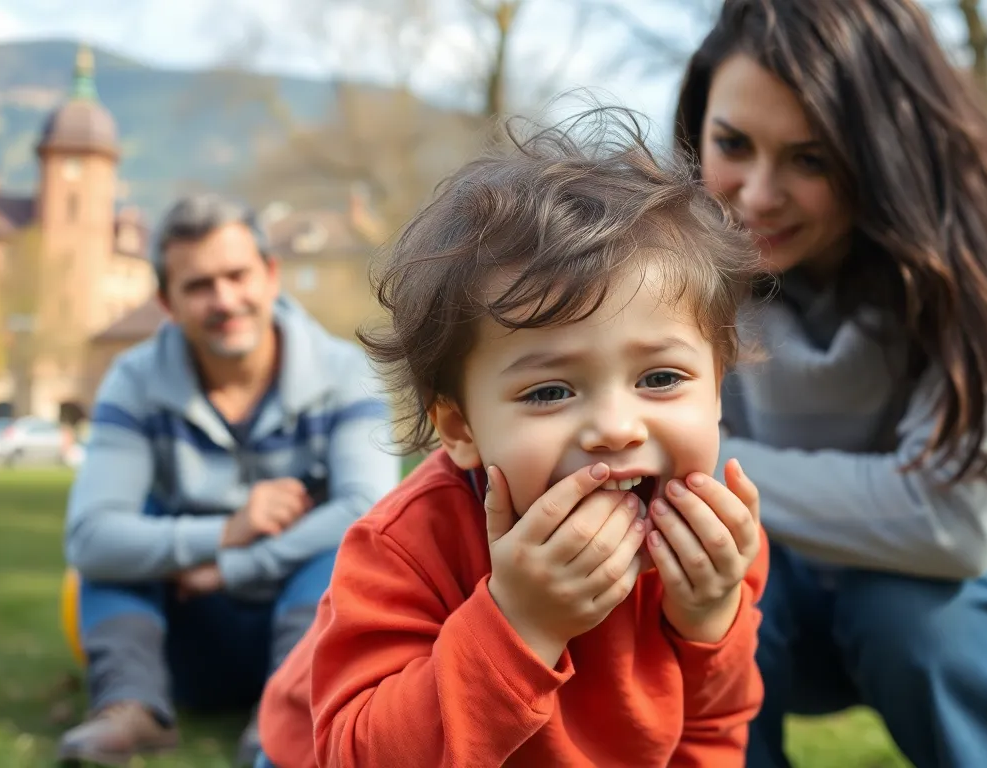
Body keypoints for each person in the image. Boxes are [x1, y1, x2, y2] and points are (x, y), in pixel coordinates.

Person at [255, 110, 771, 768]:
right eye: (550, 391)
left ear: (718, 390)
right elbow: (359, 754)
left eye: (661, 378)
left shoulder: (716, 547)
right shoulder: (408, 547)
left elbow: (712, 730)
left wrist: (710, 621)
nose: (616, 428)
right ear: (460, 428)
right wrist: (521, 623)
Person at [673, 1, 987, 766]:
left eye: (813, 158)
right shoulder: (674, 246)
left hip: (977, 598)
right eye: (732, 143)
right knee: (694, 595)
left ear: (883, 150)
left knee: (909, 615)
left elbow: (956, 524)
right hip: (777, 583)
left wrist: (703, 462)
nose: (757, 196)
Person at [57, 194, 401, 767]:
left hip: (311, 633)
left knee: (351, 543)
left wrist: (234, 565)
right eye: (198, 286)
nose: (224, 300)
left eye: (237, 275)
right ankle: (129, 705)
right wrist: (226, 530)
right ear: (167, 302)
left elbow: (369, 511)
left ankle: (283, 722)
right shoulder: (134, 381)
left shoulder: (346, 372)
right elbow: (89, 538)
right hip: (181, 637)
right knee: (121, 531)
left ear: (270, 275)